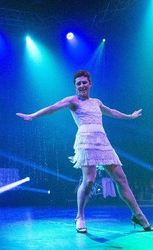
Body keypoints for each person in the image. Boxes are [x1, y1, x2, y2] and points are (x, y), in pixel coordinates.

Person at [16, 70, 152, 233]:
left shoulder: (96, 102)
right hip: (86, 140)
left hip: (102, 141)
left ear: (90, 84)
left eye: (84, 82)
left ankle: (138, 215)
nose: (81, 86)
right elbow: (53, 107)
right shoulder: (72, 101)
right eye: (78, 84)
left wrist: (129, 116)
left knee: (121, 179)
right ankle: (80, 216)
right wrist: (33, 115)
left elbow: (112, 112)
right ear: (75, 87)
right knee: (88, 180)